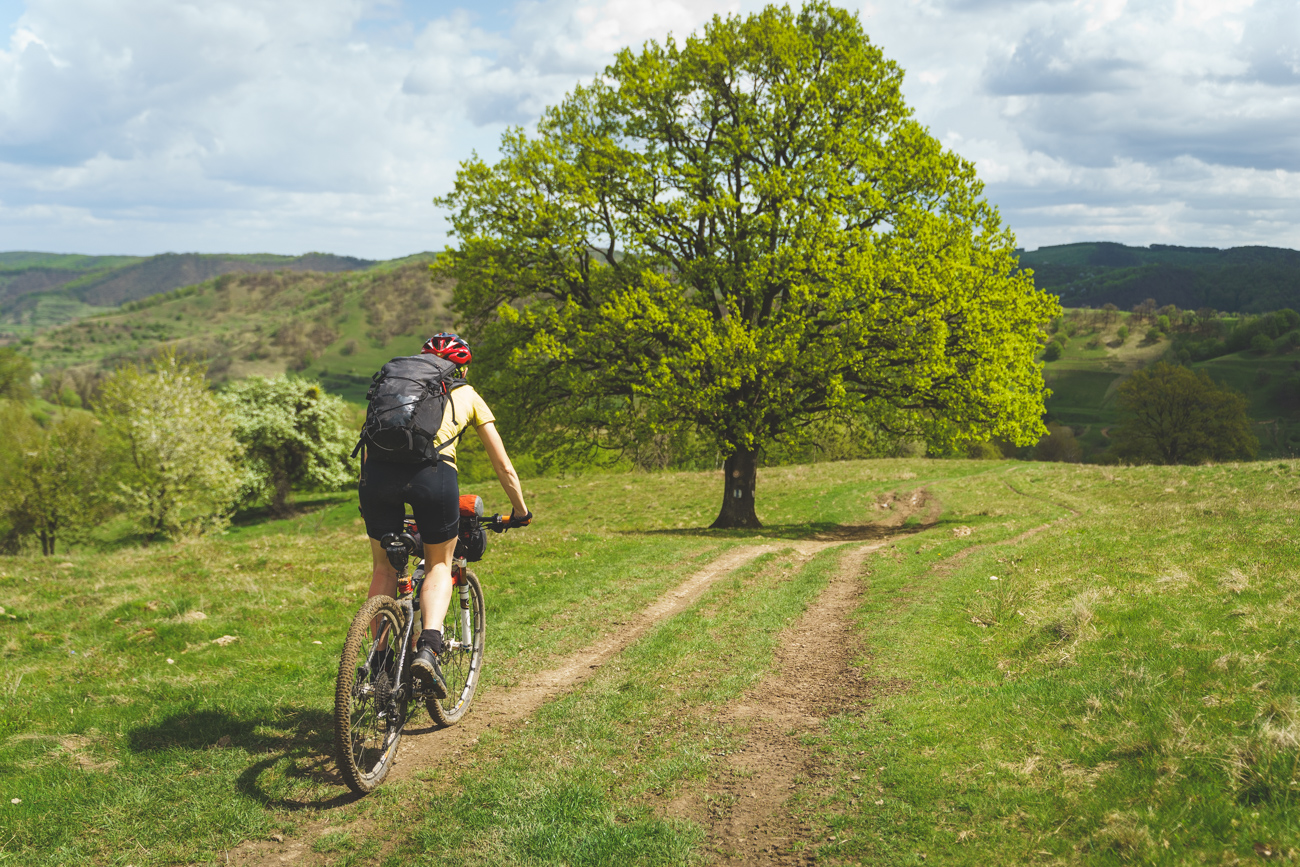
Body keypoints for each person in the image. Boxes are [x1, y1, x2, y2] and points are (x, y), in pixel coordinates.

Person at [358, 332, 531, 697]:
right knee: (439, 563)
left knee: (382, 568)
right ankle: (429, 649)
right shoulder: (466, 394)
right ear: (461, 369)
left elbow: (370, 445)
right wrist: (520, 510)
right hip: (433, 477)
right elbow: (502, 464)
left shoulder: (395, 390)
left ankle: (379, 655)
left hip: (376, 479)